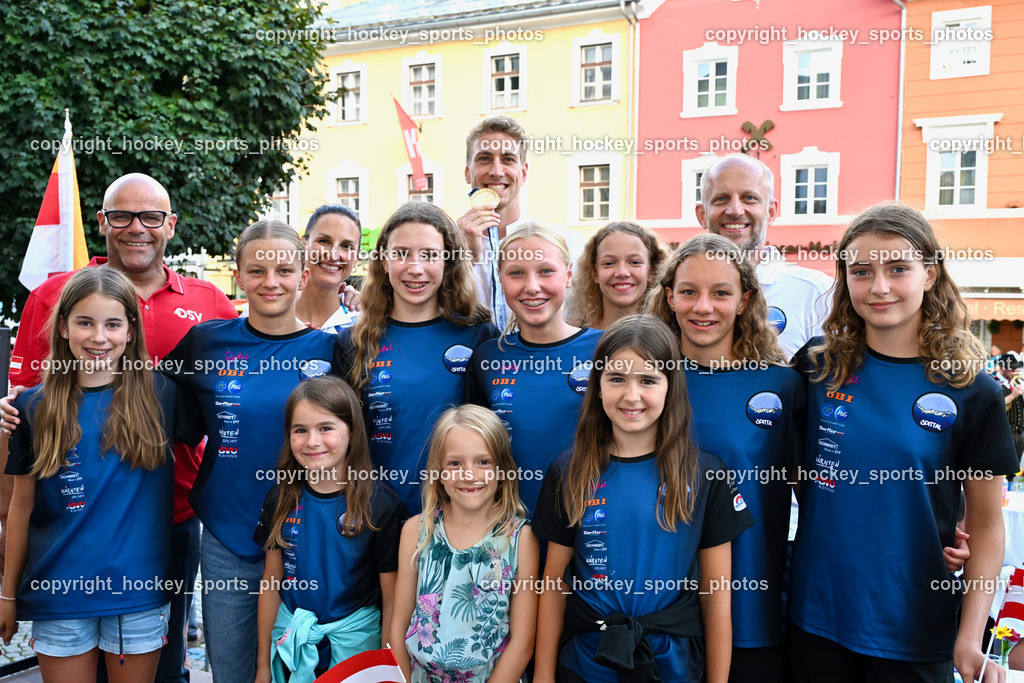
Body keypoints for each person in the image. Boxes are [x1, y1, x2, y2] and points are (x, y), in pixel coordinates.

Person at [0, 173, 237, 683]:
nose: (137, 227)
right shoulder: (50, 298)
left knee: (165, 669)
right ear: (103, 221)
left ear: (169, 225)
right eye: (123, 216)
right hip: (65, 537)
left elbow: (239, 406)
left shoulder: (209, 309)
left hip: (163, 526)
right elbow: (19, 419)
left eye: (150, 217)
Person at [785, 203, 1018, 682]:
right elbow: (792, 473)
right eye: (862, 271)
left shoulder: (972, 391)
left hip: (913, 631)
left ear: (930, 274)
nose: (879, 286)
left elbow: (989, 527)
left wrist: (970, 638)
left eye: (898, 269)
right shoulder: (815, 367)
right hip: (814, 622)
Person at [533, 314, 754, 683]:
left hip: (673, 665)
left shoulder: (704, 473)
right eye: (617, 378)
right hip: (588, 661)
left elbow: (715, 596)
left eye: (648, 380)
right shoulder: (568, 470)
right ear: (598, 386)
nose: (631, 395)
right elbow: (555, 585)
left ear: (671, 387)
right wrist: (542, 675)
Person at [162, 220, 337, 683]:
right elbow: (143, 408)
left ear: (303, 275)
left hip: (314, 535)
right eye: (256, 271)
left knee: (309, 668)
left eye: (283, 270)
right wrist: (38, 401)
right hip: (229, 537)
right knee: (235, 670)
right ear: (238, 275)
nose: (271, 282)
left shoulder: (337, 351)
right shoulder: (207, 342)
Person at [0, 267, 176, 682]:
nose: (99, 337)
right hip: (59, 592)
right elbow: (20, 508)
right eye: (85, 322)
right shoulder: (31, 408)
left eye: (113, 323)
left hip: (137, 593)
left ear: (131, 331)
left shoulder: (163, 394)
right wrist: (7, 594)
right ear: (63, 327)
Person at [648, 234, 802, 682]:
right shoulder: (644, 384)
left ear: (744, 300)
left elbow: (821, 494)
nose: (703, 307)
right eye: (689, 291)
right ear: (669, 296)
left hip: (749, 605)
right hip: (655, 610)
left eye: (721, 293)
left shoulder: (784, 387)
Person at [335, 202, 497, 514]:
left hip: (458, 522)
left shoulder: (480, 338)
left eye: (429, 255)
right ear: (383, 261)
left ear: (448, 261)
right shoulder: (353, 343)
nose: (415, 267)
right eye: (401, 253)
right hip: (377, 524)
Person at [254, 376, 405, 683]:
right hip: (291, 649)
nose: (312, 441)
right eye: (300, 430)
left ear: (352, 432)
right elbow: (271, 583)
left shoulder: (382, 506)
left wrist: (389, 669)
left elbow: (392, 601)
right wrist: (262, 667)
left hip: (355, 653)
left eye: (326, 428)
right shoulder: (280, 496)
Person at [391, 404, 539, 682]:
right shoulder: (416, 531)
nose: (469, 474)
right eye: (455, 463)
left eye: (483, 462)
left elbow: (523, 643)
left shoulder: (520, 539)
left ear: (502, 469)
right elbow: (398, 627)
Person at [466, 223, 603, 518]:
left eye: (545, 271)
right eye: (516, 273)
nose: (532, 286)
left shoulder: (606, 348)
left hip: (588, 525)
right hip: (508, 530)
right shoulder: (487, 357)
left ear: (568, 275)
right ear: (500, 281)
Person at [696, 154, 833, 359]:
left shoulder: (816, 293)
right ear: (701, 214)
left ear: (771, 211)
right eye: (721, 199)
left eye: (749, 198)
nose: (735, 210)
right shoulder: (682, 295)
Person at [456, 115, 583, 330]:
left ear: (523, 173)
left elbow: (588, 315)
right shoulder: (441, 248)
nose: (496, 171)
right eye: (484, 159)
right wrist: (461, 259)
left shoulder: (568, 244)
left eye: (507, 159)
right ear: (468, 172)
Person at [568, 221, 667, 330]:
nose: (622, 272)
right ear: (595, 273)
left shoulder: (669, 339)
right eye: (609, 263)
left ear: (651, 271)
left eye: (635, 262)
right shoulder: (573, 337)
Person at [295, 204, 362, 333]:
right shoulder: (265, 312)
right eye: (324, 241)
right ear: (304, 244)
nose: (333, 255)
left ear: (356, 258)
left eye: (346, 246)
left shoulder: (366, 324)